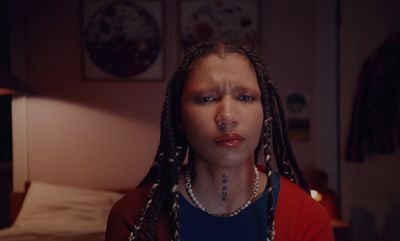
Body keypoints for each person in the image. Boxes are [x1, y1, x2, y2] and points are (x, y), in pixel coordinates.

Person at [106, 39, 334, 241]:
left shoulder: (305, 215)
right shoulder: (134, 215)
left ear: (266, 114)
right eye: (206, 98)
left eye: (245, 97)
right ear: (179, 118)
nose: (227, 117)